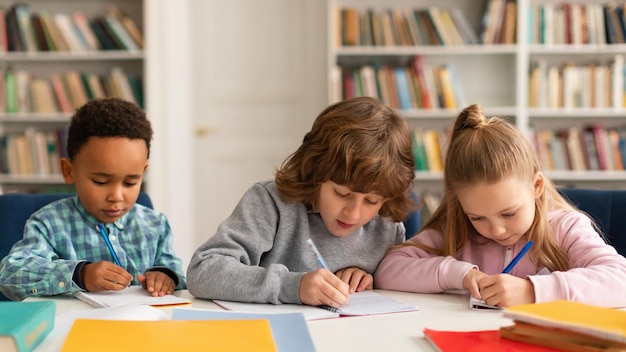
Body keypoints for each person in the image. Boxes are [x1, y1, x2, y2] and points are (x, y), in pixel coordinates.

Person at [374, 104, 626, 308]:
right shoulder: (459, 230)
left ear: (536, 187)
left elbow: (620, 280)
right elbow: (388, 270)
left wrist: (532, 291)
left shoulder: (564, 227)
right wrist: (458, 274)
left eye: (508, 213)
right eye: (478, 217)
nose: (496, 230)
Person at [186, 96, 416, 308]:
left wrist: (370, 279)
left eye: (371, 201)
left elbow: (396, 289)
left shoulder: (386, 223)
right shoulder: (272, 203)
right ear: (315, 172)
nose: (354, 214)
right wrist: (293, 286)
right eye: (342, 194)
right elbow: (203, 271)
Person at [0, 98, 186, 301]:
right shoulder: (48, 224)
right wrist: (80, 274)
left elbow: (176, 276)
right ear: (68, 171)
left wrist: (166, 277)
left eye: (131, 182)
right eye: (100, 181)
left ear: (143, 172)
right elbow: (10, 276)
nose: (116, 196)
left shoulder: (156, 225)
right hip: (74, 328)